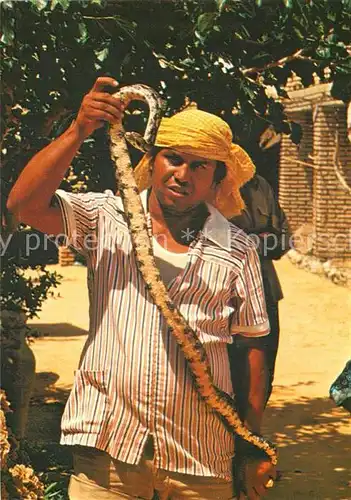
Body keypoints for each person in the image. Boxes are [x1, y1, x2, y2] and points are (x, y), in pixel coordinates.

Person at [7, 77, 277, 500]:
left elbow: (253, 346)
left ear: (216, 179)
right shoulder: (105, 219)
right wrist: (79, 130)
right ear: (153, 161)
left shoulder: (238, 249)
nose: (181, 175)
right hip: (110, 450)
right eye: (173, 159)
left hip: (201, 455)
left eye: (199, 165)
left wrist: (251, 442)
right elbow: (24, 205)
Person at [230, 174, 291, 403]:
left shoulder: (260, 185)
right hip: (226, 296)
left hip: (266, 291)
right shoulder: (210, 181)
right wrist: (260, 236)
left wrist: (245, 239)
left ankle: (252, 432)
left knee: (263, 374)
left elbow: (283, 239)